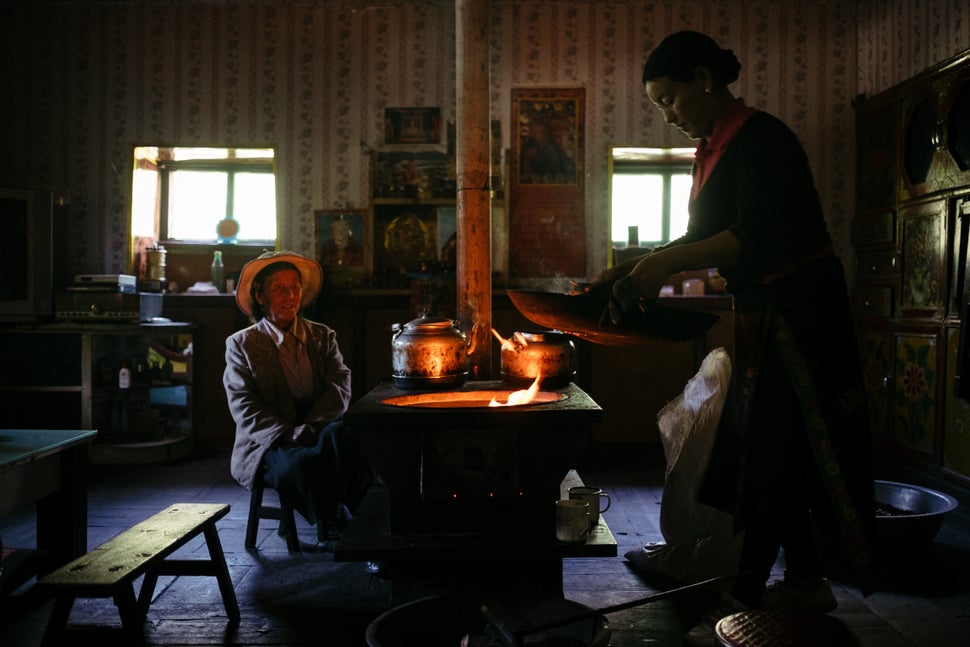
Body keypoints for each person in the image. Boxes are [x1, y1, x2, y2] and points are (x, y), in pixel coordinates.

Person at [593, 31, 876, 646]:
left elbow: (750, 237)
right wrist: (630, 266)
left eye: (669, 100)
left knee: (773, 443)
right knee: (775, 441)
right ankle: (802, 580)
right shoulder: (716, 149)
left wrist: (664, 267)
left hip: (799, 309)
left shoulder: (762, 140)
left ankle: (749, 589)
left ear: (703, 79)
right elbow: (702, 237)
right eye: (658, 106)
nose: (667, 115)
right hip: (763, 306)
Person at [224, 250, 368, 541]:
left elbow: (340, 383)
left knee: (349, 439)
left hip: (318, 428)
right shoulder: (242, 344)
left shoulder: (322, 335)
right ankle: (338, 517)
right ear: (260, 296)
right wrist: (287, 433)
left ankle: (368, 521)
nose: (290, 295)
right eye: (279, 289)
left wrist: (313, 425)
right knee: (301, 464)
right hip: (269, 443)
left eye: (295, 287)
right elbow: (243, 403)